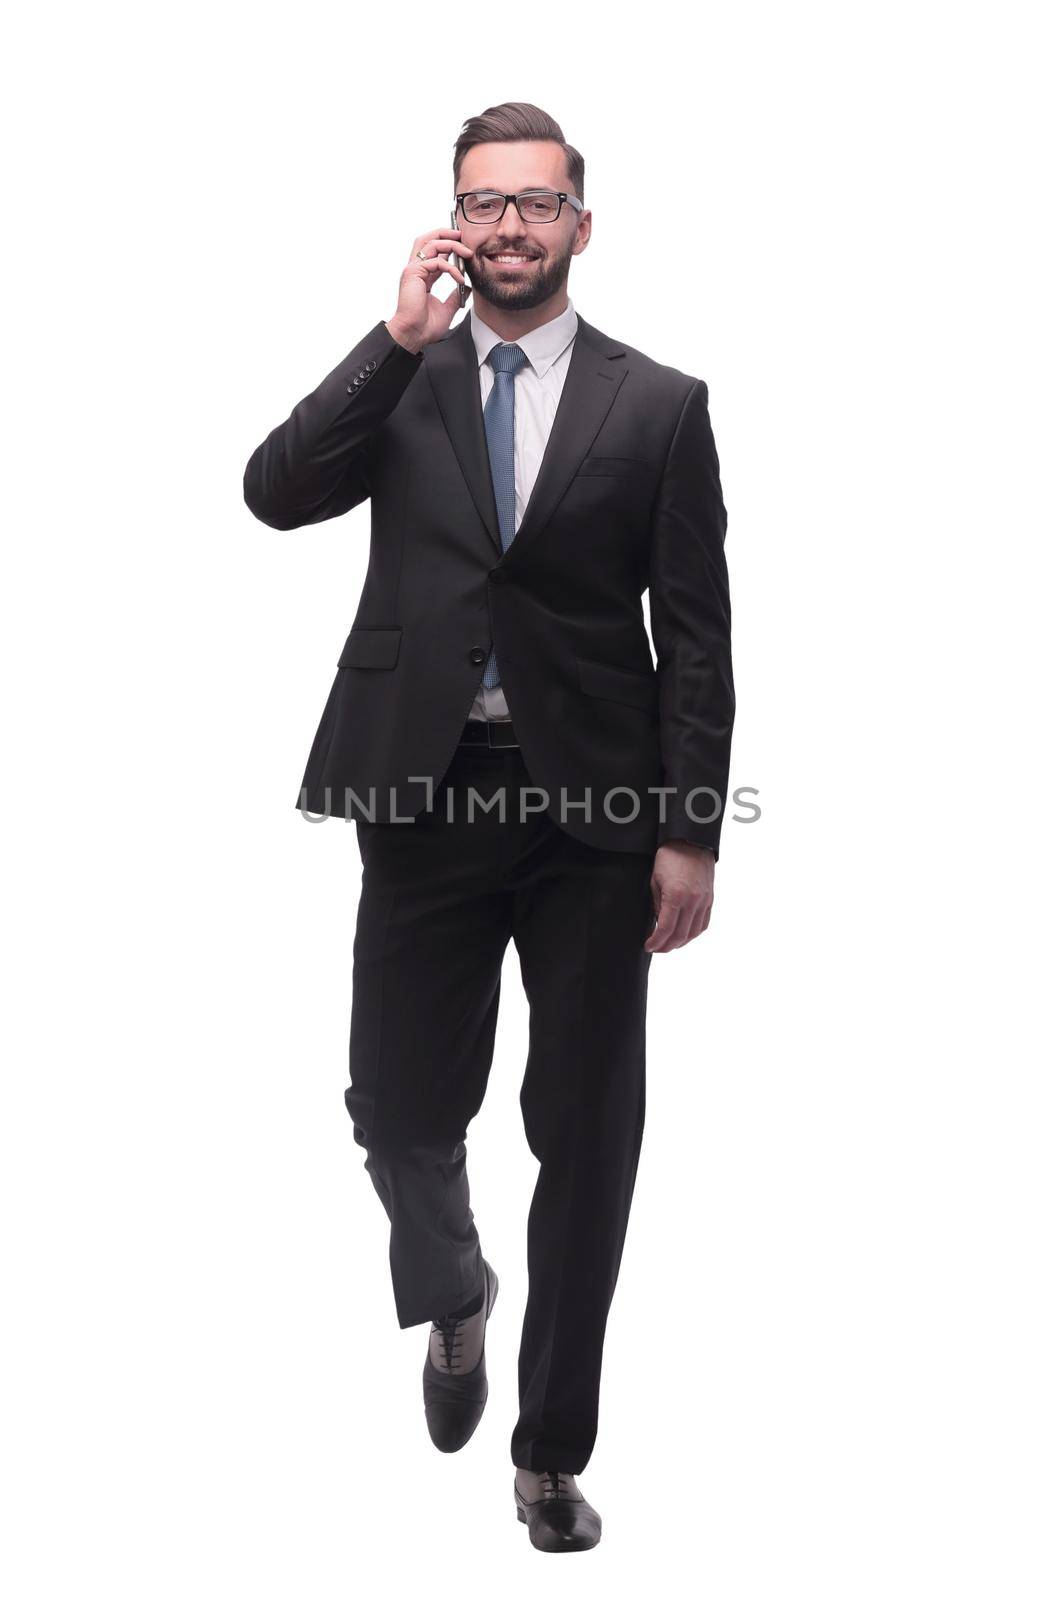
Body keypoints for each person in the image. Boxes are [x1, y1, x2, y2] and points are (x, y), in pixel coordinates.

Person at [242, 100, 734, 1554]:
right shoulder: (407, 380)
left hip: (596, 811)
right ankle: (452, 1294)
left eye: (537, 202)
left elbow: (694, 636)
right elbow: (274, 495)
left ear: (580, 222)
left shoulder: (659, 404)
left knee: (588, 1137)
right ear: (454, 220)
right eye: (485, 202)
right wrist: (391, 339)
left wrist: (691, 828)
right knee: (395, 1109)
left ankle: (545, 1453)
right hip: (422, 793)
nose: (511, 225)